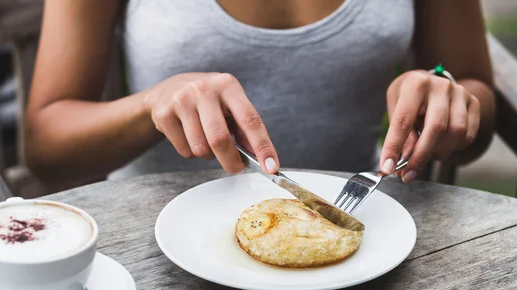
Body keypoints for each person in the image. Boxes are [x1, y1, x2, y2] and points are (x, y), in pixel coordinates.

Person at [26, 0, 495, 185]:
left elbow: (474, 89)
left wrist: (446, 94)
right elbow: (47, 146)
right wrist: (151, 104)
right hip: (156, 245)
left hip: (358, 235)